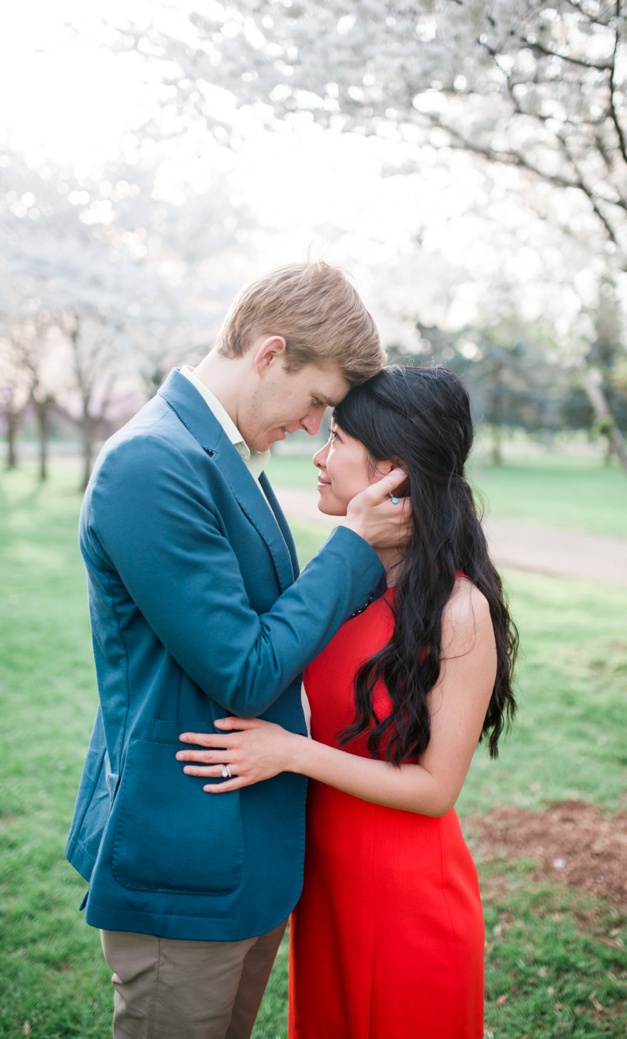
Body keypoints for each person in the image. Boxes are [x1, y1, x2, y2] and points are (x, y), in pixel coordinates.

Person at [66, 261, 408, 1038]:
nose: (316, 426)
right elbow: (245, 670)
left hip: (242, 856)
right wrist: (352, 547)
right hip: (179, 857)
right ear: (269, 353)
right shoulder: (152, 462)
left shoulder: (219, 454)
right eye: (317, 400)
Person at [176, 364, 517, 1038]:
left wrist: (291, 753)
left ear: (395, 472)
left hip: (408, 899)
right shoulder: (335, 583)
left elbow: (435, 788)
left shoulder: (460, 610)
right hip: (324, 888)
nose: (319, 455)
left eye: (337, 438)